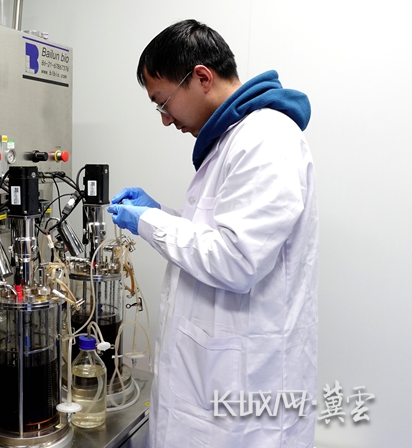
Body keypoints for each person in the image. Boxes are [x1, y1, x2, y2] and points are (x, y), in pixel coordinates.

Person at [107, 19, 318, 447]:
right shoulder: (233, 139)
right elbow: (213, 236)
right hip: (212, 384)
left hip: (241, 398)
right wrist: (159, 213)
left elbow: (236, 260)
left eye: (163, 102)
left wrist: (148, 222)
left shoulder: (267, 139)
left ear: (202, 77)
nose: (166, 120)